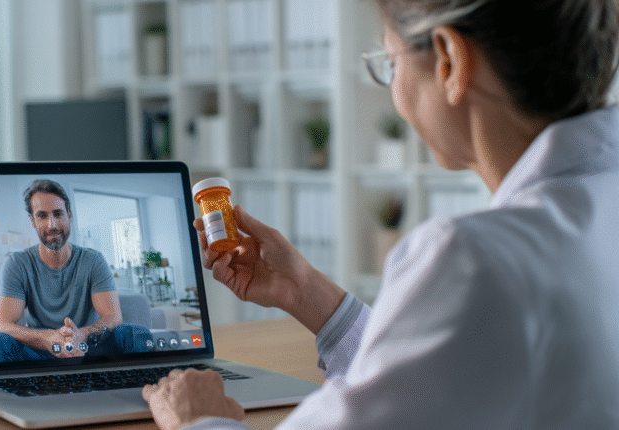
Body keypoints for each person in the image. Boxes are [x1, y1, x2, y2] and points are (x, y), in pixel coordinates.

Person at [141, 0, 619, 428]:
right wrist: (304, 292)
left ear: (450, 60)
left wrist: (196, 422)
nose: (395, 90)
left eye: (390, 63)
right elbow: (437, 374)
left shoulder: (474, 260)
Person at [0, 179, 151, 362]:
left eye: (58, 214)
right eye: (42, 216)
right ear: (32, 221)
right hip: (40, 353)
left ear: (69, 215)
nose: (52, 225)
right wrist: (47, 338)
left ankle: (145, 390)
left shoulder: (93, 260)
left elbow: (113, 317)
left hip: (86, 349)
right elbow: (2, 325)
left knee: (134, 334)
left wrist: (82, 334)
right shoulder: (17, 263)